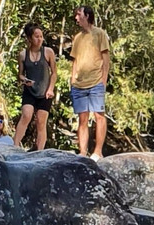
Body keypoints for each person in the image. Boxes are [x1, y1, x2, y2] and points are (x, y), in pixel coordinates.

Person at [69, 6, 110, 160]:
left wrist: (103, 81)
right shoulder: (77, 37)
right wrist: (73, 79)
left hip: (96, 82)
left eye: (78, 15)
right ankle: (83, 153)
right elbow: (75, 60)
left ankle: (98, 152)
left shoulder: (100, 34)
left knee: (99, 115)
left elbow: (106, 59)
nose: (76, 18)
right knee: (82, 118)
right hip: (79, 84)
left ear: (87, 15)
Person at [13, 23, 57, 151]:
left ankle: (39, 150)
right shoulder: (23, 55)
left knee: (41, 121)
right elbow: (20, 75)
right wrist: (25, 80)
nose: (40, 39)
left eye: (41, 36)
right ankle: (15, 145)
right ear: (29, 38)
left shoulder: (48, 52)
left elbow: (54, 72)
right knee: (26, 114)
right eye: (36, 36)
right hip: (30, 90)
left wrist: (51, 89)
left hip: (45, 91)